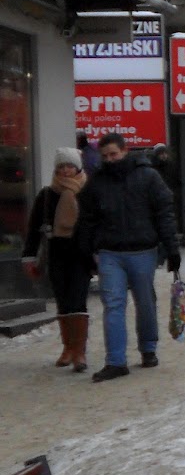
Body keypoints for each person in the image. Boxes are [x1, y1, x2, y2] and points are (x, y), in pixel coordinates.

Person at [77, 133, 180, 381]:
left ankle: (148, 348)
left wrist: (172, 248)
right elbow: (87, 219)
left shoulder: (148, 176)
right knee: (113, 305)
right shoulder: (97, 182)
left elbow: (164, 213)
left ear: (125, 150)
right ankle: (115, 361)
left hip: (142, 250)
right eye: (105, 156)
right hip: (110, 252)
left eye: (113, 154)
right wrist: (86, 251)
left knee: (145, 302)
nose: (109, 160)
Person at [21, 147, 94, 371]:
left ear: (77, 167)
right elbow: (34, 228)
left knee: (78, 299)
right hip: (56, 254)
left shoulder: (88, 191)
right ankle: (68, 348)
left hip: (81, 255)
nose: (65, 170)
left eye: (69, 165)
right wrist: (29, 256)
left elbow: (98, 223)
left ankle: (80, 351)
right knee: (62, 300)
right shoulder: (47, 194)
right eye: (61, 166)